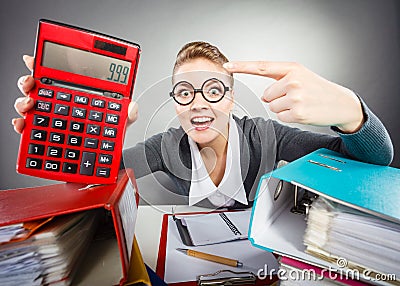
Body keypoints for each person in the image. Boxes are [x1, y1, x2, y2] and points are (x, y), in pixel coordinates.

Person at [13, 41, 393, 209]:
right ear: (175, 102)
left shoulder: (267, 137)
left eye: (212, 90)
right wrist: (97, 131)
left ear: (230, 98)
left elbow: (370, 161)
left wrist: (351, 112)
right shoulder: (166, 146)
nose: (197, 103)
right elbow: (87, 178)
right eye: (184, 92)